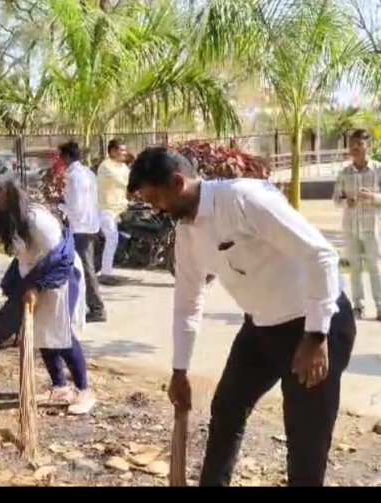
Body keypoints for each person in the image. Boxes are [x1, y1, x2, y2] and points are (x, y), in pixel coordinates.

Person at [128, 147, 356, 487]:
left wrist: (316, 336)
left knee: (306, 441)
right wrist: (179, 371)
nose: (155, 209)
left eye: (157, 198)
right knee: (227, 410)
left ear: (178, 182)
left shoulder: (243, 199)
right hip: (261, 327)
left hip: (315, 325)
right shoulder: (188, 235)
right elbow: (188, 302)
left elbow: (321, 255)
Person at [0, 166, 96, 415]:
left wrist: (36, 287)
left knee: (62, 335)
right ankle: (60, 387)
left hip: (60, 276)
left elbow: (59, 256)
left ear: (12, 191)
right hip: (33, 279)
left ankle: (84, 391)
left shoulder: (36, 219)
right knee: (41, 333)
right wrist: (24, 285)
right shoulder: (8, 219)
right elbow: (24, 258)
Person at [333, 129, 381, 320]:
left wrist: (374, 197)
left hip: (372, 228)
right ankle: (358, 306)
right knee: (354, 268)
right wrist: (347, 201)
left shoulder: (378, 169)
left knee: (375, 267)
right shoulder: (345, 173)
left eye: (359, 144)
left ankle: (379, 306)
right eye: (352, 144)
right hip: (351, 227)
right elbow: (337, 199)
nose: (355, 148)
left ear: (367, 146)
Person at [58, 141, 106, 322]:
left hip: (80, 227)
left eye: (62, 156)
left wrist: (61, 205)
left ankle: (97, 309)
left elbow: (75, 207)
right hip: (90, 224)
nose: (61, 160)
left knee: (85, 269)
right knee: (81, 267)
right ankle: (77, 306)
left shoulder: (74, 176)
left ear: (68, 156)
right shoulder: (87, 173)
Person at [97, 138, 130, 284]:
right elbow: (124, 182)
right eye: (121, 150)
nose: (124, 153)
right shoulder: (106, 167)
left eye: (125, 150)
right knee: (112, 238)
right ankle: (105, 272)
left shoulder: (123, 167)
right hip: (106, 209)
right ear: (112, 151)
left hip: (120, 208)